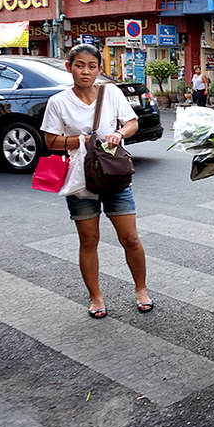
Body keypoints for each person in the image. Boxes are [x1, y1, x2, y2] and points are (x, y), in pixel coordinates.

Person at [41, 44, 152, 319]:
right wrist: (82, 140)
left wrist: (119, 134)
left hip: (114, 175)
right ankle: (95, 296)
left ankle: (141, 289)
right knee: (89, 240)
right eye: (79, 65)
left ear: (99, 69)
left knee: (130, 238)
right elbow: (50, 141)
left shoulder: (111, 93)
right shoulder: (58, 102)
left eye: (92, 66)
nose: (85, 71)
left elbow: (132, 122)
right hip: (80, 180)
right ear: (69, 67)